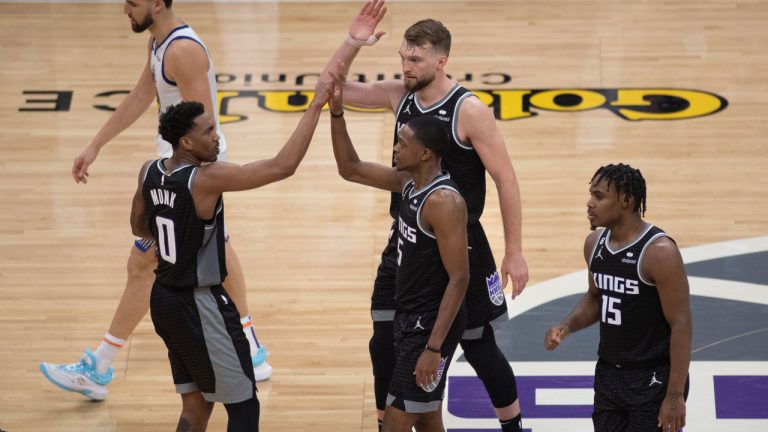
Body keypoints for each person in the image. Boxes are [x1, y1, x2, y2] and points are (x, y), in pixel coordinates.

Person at [39, 0, 271, 401]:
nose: (125, 8)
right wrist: (96, 145)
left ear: (158, 3)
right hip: (177, 167)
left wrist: (177, 186)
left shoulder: (183, 51)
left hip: (187, 171)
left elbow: (204, 127)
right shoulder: (158, 43)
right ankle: (250, 348)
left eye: (132, 2)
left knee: (142, 263)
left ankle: (99, 366)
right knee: (220, 248)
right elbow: (139, 96)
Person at [321, 2, 528, 430]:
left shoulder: (469, 110)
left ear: (441, 59)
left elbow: (506, 180)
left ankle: (512, 425)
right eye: (402, 57)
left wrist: (515, 252)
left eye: (415, 58)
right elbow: (329, 87)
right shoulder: (398, 94)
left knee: (479, 347)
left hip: (460, 242)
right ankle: (387, 421)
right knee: (383, 342)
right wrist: (353, 41)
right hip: (408, 236)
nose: (406, 65)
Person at [130, 87, 329, 429]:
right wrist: (315, 107)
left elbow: (138, 226)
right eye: (208, 131)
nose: (217, 136)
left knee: (195, 405)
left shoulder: (149, 171)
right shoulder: (207, 178)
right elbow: (283, 166)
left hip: (163, 300)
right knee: (244, 407)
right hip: (201, 304)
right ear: (186, 143)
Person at [328, 73, 469, 432]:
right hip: (409, 315)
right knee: (427, 419)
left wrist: (434, 348)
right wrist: (337, 115)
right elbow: (351, 169)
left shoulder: (443, 202)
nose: (395, 147)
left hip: (428, 325)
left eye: (402, 143)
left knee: (395, 423)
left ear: (424, 153)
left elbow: (459, 278)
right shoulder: (409, 183)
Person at [544, 163, 692, 432]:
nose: (589, 204)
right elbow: (596, 296)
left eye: (599, 196)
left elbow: (681, 323)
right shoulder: (594, 244)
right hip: (609, 374)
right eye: (591, 194)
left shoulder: (659, 253)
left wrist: (675, 395)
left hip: (653, 377)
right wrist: (566, 326)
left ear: (626, 200)